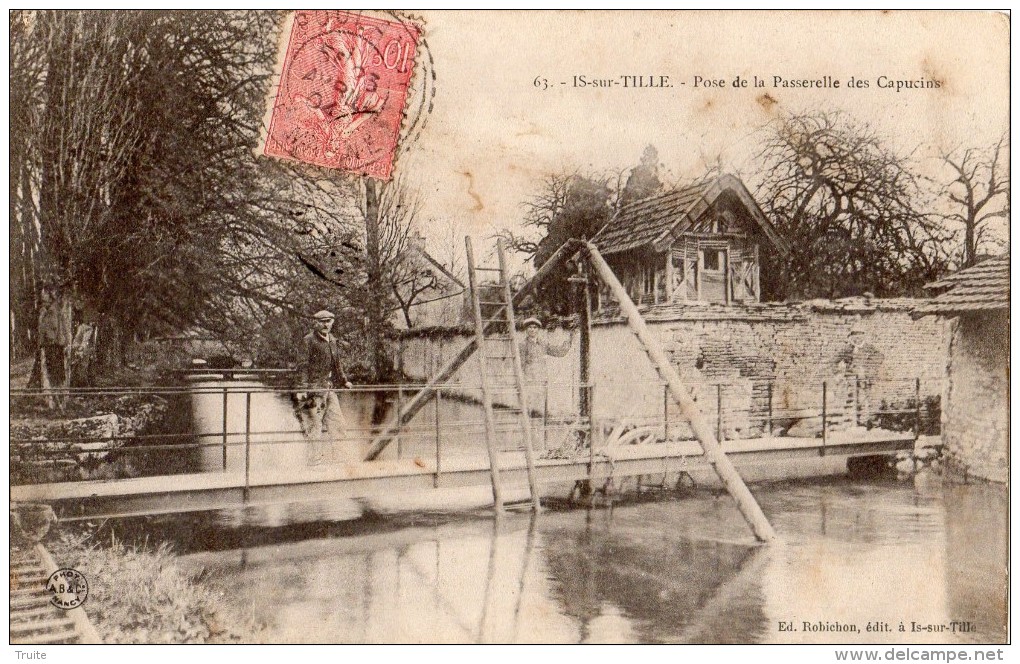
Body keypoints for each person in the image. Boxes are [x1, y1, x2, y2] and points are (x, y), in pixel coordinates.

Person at [296, 310, 354, 466]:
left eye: (328, 321)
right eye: (322, 321)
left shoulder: (332, 340)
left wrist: (343, 381)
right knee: (314, 427)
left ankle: (340, 461)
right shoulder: (308, 341)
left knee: (338, 424)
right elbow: (303, 366)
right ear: (315, 323)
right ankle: (314, 463)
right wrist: (303, 389)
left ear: (332, 322)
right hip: (314, 391)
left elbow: (337, 364)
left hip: (329, 389)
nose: (325, 324)